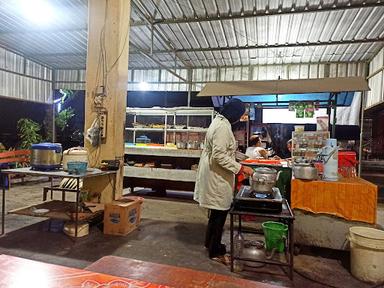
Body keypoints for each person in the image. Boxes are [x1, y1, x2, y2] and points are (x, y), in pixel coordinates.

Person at [194, 98, 254, 265]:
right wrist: (241, 168)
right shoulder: (222, 127)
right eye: (240, 115)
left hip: (216, 172)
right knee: (220, 212)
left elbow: (223, 151)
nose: (239, 118)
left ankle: (210, 243)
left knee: (216, 212)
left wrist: (240, 160)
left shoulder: (221, 122)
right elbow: (219, 156)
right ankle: (215, 251)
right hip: (217, 175)